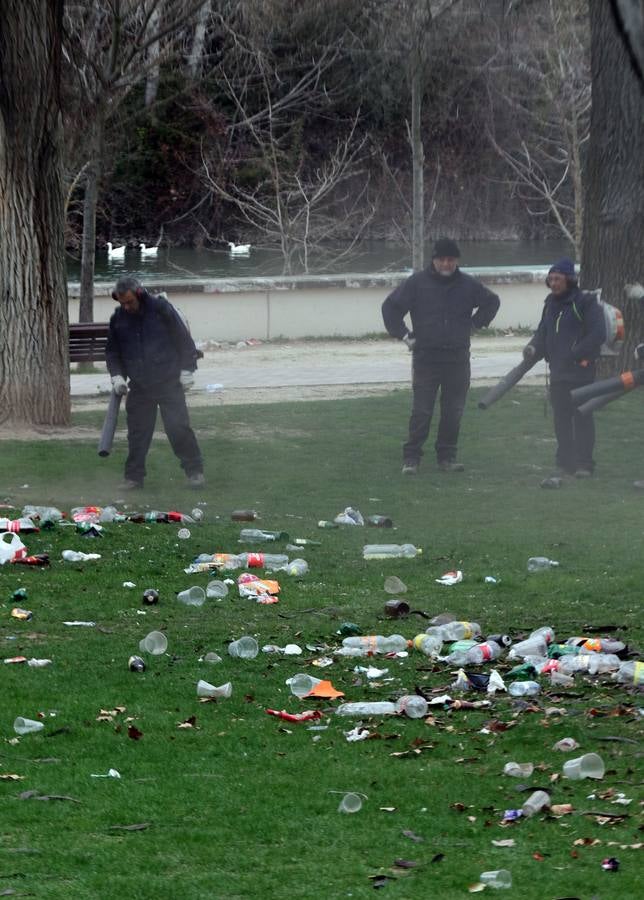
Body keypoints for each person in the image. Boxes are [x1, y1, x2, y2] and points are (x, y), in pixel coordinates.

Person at [382, 238, 500, 474]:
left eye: (451, 260)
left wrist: (475, 324)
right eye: (442, 259)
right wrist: (404, 335)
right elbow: (390, 308)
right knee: (422, 411)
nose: (446, 264)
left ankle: (447, 457)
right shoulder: (416, 283)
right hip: (426, 358)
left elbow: (492, 302)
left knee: (453, 412)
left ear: (456, 261)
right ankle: (412, 458)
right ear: (434, 260)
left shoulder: (468, 284)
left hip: (457, 358)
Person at [106, 276, 205, 489]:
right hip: (140, 385)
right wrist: (117, 376)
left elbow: (183, 340)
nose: (126, 307)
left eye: (129, 302)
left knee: (178, 428)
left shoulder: (161, 309)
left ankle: (195, 473)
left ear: (139, 294)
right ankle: (133, 478)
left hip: (168, 381)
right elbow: (113, 352)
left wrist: (187, 370)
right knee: (137, 433)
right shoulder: (118, 318)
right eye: (122, 303)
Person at [523, 258, 605, 478]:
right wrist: (532, 347)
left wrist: (573, 354)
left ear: (569, 279)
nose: (553, 283)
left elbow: (598, 334)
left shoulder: (586, 302)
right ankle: (565, 463)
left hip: (581, 372)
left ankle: (584, 464)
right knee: (561, 420)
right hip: (558, 373)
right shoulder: (550, 304)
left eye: (558, 279)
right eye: (550, 279)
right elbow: (543, 332)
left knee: (582, 417)